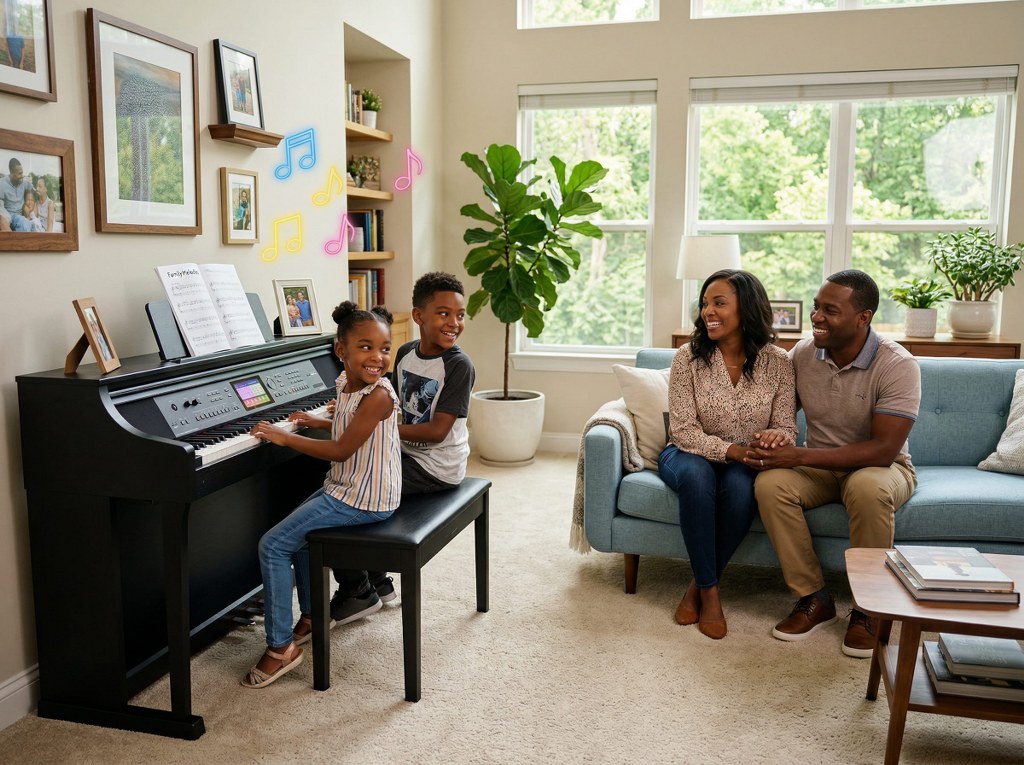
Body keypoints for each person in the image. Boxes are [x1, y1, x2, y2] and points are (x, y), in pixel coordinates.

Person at [747, 270, 921, 658]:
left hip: (884, 469)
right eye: (815, 307)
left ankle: (869, 610)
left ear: (864, 317)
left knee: (867, 485)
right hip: (821, 469)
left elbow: (882, 451)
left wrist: (799, 455)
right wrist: (773, 437)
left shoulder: (897, 364)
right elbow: (779, 415)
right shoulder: (803, 354)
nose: (816, 317)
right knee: (770, 484)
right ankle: (813, 598)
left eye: (830, 310)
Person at [240, 302, 401, 688]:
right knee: (297, 539)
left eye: (384, 347)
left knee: (272, 545)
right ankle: (312, 616)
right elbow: (346, 424)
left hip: (364, 498)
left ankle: (280, 649)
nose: (377, 357)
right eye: (365, 347)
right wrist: (316, 420)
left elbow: (341, 450)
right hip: (347, 487)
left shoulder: (378, 395)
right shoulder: (347, 384)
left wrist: (285, 437)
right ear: (340, 351)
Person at [324, 272, 477, 627]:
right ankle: (378, 579)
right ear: (419, 317)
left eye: (460, 314)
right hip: (405, 452)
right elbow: (387, 402)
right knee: (351, 477)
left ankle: (358, 591)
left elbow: (438, 431)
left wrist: (369, 427)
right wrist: (350, 409)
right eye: (443, 313)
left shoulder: (458, 365)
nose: (454, 322)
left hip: (436, 466)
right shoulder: (407, 352)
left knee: (346, 493)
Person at [658, 269, 797, 640]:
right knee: (698, 476)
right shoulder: (686, 358)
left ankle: (695, 587)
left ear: (746, 308)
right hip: (688, 453)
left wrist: (773, 437)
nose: (708, 311)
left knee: (740, 491)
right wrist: (732, 450)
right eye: (705, 303)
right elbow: (683, 430)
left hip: (746, 462)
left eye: (719, 303)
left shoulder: (778, 363)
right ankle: (711, 592)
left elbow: (787, 427)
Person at [0, 157, 31, 232]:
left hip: (20, 216)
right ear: (11, 173)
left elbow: (36, 192)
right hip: (8, 215)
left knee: (25, 222)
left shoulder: (24, 182)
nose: (22, 175)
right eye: (19, 173)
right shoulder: (2, 184)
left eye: (22, 172)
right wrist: (5, 218)